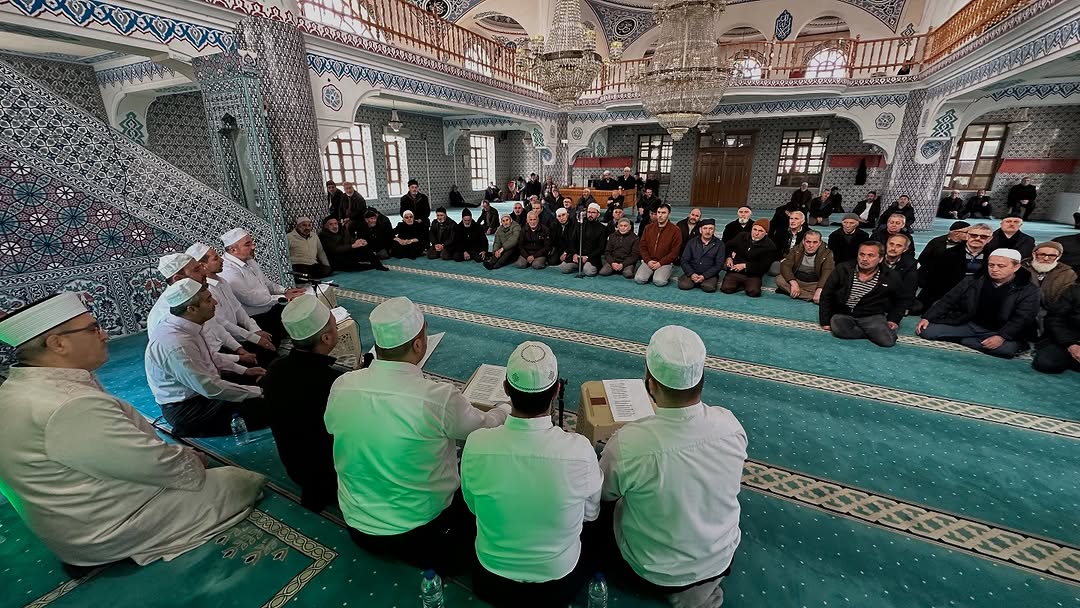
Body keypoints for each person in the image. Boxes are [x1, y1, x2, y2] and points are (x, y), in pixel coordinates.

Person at [0, 292, 265, 570]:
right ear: (58, 343)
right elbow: (152, 464)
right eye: (93, 329)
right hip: (105, 530)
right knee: (241, 480)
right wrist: (193, 460)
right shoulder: (69, 405)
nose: (103, 335)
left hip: (74, 516)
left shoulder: (17, 389)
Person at [325, 297, 510, 573]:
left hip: (358, 525)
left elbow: (333, 427)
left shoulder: (343, 385)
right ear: (419, 344)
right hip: (422, 530)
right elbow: (482, 429)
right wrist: (505, 410)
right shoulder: (437, 398)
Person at [598, 325, 746, 607]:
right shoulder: (730, 425)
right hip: (720, 560)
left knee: (594, 508)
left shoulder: (630, 444)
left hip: (652, 572)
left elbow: (602, 494)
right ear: (701, 378)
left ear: (650, 384)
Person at [461, 342, 602, 607]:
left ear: (505, 388)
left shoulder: (477, 445)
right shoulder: (580, 451)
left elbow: (472, 506)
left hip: (491, 579)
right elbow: (590, 514)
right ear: (557, 390)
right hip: (560, 584)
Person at [144, 279, 269, 437]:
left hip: (202, 391)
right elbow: (211, 388)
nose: (215, 302)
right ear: (192, 309)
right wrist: (258, 392)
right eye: (209, 300)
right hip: (189, 409)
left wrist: (245, 371)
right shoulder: (176, 342)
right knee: (273, 405)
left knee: (268, 379)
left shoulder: (188, 324)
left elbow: (209, 357)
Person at [262, 295, 342, 512]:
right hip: (332, 474)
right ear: (326, 338)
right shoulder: (333, 383)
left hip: (296, 469)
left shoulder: (275, 369)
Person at [916, 249, 1040, 358]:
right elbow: (949, 299)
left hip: (999, 330)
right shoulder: (973, 280)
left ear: (1016, 267)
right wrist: (928, 317)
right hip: (969, 324)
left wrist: (1001, 337)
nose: (994, 269)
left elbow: (1022, 318)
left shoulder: (1028, 290)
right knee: (926, 331)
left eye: (1001, 266)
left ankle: (965, 340)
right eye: (991, 265)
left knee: (1006, 350)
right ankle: (969, 340)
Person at [187, 243, 277, 365]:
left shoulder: (222, 281)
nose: (221, 259)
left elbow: (237, 308)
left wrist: (255, 330)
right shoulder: (206, 291)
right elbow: (223, 324)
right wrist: (254, 338)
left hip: (239, 333)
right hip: (227, 342)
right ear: (203, 266)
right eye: (215, 258)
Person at [218, 227, 306, 344]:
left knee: (300, 312)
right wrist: (284, 297)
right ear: (233, 250)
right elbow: (251, 298)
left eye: (252, 243)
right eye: (248, 244)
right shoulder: (228, 270)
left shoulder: (249, 260)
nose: (253, 247)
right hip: (258, 318)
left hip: (270, 307)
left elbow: (267, 283)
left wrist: (285, 290)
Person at [819, 241, 907, 347]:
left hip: (871, 316)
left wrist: (894, 319)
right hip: (844, 313)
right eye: (862, 254)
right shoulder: (843, 269)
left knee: (887, 341)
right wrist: (824, 320)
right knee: (838, 329)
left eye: (870, 256)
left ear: (880, 259)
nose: (864, 259)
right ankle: (871, 334)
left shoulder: (891, 276)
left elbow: (901, 300)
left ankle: (876, 332)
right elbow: (827, 294)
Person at [916, 222, 994, 312]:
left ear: (990, 239)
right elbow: (935, 280)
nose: (977, 238)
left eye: (983, 237)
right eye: (974, 235)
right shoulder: (948, 254)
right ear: (967, 236)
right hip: (949, 293)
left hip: (976, 294)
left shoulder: (993, 256)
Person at [721, 219, 776, 297]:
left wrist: (745, 266)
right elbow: (728, 246)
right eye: (755, 229)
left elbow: (764, 266)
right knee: (726, 289)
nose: (756, 233)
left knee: (754, 292)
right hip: (735, 271)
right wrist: (728, 257)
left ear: (766, 233)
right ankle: (742, 285)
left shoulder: (770, 246)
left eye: (760, 231)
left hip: (753, 274)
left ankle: (744, 285)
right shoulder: (741, 236)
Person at [1032, 283, 1080, 373]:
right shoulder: (1074, 290)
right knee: (1045, 363)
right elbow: (1055, 319)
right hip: (1069, 341)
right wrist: (1071, 345)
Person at [776, 230, 834, 303]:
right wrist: (793, 283)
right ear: (803, 242)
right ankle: (812, 297)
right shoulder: (796, 249)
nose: (811, 245)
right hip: (797, 280)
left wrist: (819, 289)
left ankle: (797, 293)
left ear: (819, 243)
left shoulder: (827, 253)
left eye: (815, 242)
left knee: (830, 288)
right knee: (779, 279)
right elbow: (786, 265)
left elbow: (827, 271)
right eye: (808, 242)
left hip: (814, 283)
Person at [636, 203, 683, 287]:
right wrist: (648, 260)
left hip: (665, 262)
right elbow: (642, 246)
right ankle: (652, 273)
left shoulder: (675, 230)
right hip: (649, 261)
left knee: (659, 281)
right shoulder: (648, 228)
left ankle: (659, 273)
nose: (660, 215)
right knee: (639, 279)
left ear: (669, 214)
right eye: (658, 212)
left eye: (663, 213)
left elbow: (675, 252)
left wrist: (660, 263)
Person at [323, 213, 390, 271]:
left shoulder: (342, 230)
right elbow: (335, 249)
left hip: (347, 253)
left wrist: (359, 242)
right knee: (351, 266)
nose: (334, 226)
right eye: (331, 224)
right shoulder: (324, 235)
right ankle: (371, 266)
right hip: (336, 259)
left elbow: (350, 239)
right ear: (326, 226)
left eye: (335, 223)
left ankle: (378, 265)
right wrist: (352, 246)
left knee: (364, 246)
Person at [1022, 241, 1077, 310]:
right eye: (1042, 254)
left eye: (1052, 256)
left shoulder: (1067, 274)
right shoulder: (1021, 269)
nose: (1046, 258)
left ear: (1059, 257)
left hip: (1052, 313)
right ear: (1034, 254)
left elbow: (1065, 300)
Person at [677, 218, 725, 293]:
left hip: (709, 274)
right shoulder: (692, 242)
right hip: (693, 271)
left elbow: (719, 264)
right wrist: (691, 274)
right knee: (683, 285)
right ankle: (695, 280)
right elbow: (684, 260)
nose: (707, 231)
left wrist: (704, 276)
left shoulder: (720, 244)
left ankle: (701, 281)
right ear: (700, 230)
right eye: (705, 228)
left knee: (709, 287)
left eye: (710, 229)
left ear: (714, 230)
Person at [559, 203, 606, 276]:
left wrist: (588, 257)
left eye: (593, 212)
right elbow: (572, 241)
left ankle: (584, 266)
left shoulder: (602, 228)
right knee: (563, 268)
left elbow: (601, 248)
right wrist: (574, 254)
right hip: (578, 255)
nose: (590, 214)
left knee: (589, 272)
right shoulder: (580, 224)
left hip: (591, 257)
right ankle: (580, 266)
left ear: (598, 214)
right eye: (589, 212)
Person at [881, 233, 920, 313]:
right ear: (886, 244)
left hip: (895, 295)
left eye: (898, 246)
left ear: (905, 249)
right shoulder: (876, 257)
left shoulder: (911, 263)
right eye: (891, 244)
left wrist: (904, 306)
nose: (893, 248)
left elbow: (910, 288)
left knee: (917, 306)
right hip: (875, 294)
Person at [769, 210, 807, 275]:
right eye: (791, 218)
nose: (792, 221)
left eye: (796, 219)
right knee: (773, 271)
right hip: (782, 258)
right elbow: (774, 248)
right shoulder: (781, 231)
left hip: (798, 261)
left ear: (802, 222)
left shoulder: (808, 233)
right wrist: (781, 258)